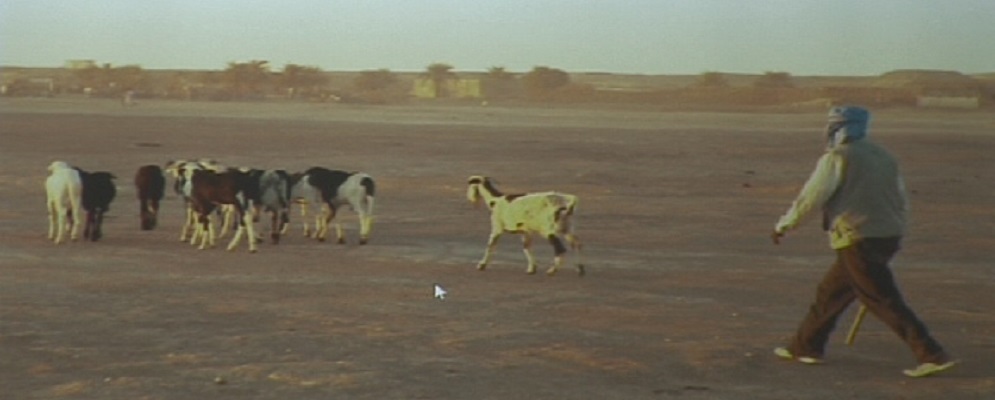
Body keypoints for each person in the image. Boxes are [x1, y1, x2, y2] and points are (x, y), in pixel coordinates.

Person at [770, 105, 956, 378]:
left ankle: (931, 354)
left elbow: (811, 198)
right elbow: (900, 199)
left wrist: (784, 225)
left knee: (882, 298)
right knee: (830, 293)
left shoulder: (837, 157)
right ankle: (805, 347)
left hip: (858, 238)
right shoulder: (885, 156)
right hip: (888, 235)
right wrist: (896, 229)